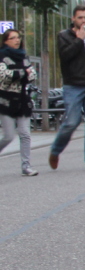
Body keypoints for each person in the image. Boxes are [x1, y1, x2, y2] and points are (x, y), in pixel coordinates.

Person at [48, 5, 85, 171]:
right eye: (80, 18)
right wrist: (78, 40)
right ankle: (55, 150)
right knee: (71, 123)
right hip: (73, 85)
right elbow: (65, 57)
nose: (83, 21)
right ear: (73, 19)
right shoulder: (64, 36)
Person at [0, 29, 37, 176]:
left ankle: (26, 166)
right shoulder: (2, 55)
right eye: (13, 38)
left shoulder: (23, 57)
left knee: (25, 134)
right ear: (6, 41)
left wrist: (22, 74)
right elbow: (3, 75)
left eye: (18, 37)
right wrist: (22, 73)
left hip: (22, 98)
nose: (17, 40)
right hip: (6, 99)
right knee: (9, 136)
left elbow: (33, 74)